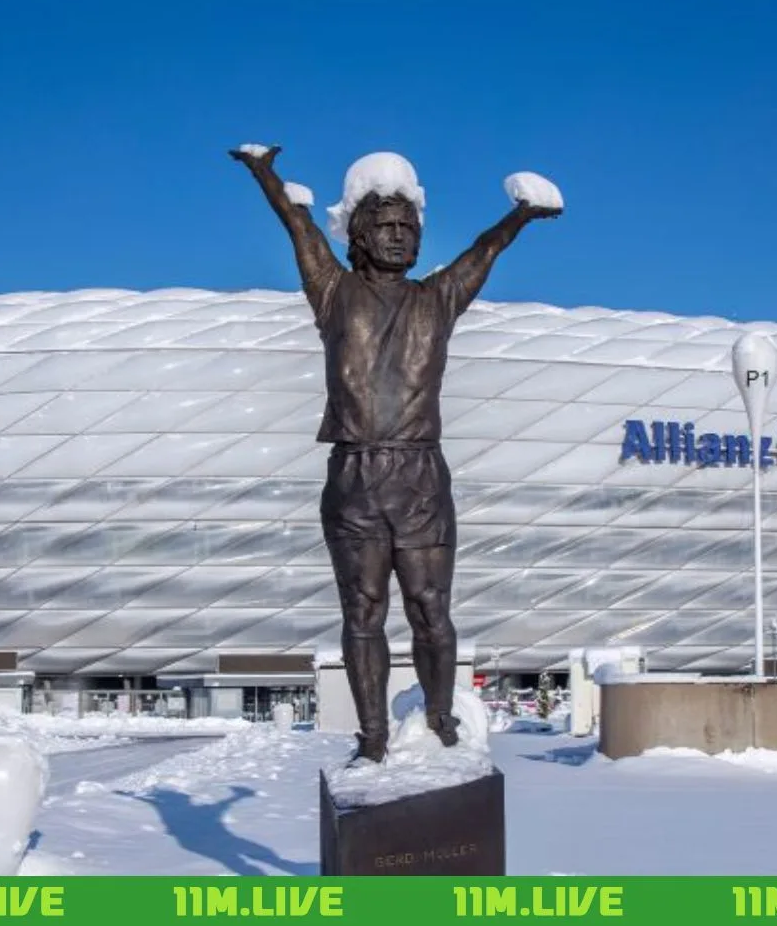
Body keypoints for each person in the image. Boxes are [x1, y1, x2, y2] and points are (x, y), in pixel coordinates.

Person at [230, 145, 560, 763]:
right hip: (355, 473)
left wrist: (519, 215)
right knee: (364, 613)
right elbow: (298, 226)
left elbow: (482, 253)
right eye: (385, 225)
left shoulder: (437, 298)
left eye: (409, 227)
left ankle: (440, 720)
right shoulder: (332, 292)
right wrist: (264, 172)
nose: (399, 236)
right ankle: (374, 737)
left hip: (420, 476)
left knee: (431, 608)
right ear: (358, 233)